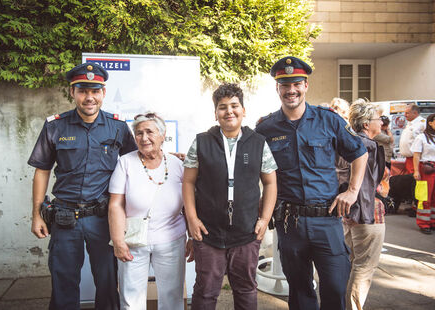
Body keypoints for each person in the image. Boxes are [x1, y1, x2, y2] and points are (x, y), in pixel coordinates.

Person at [255, 56, 368, 310]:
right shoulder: (266, 128)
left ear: (305, 85)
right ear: (277, 89)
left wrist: (352, 191)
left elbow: (360, 153)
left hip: (326, 220)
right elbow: (250, 167)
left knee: (336, 285)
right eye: (285, 85)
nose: (291, 90)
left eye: (296, 83)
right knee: (300, 290)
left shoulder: (329, 120)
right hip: (289, 222)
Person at [28, 62, 137, 310]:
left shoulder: (118, 127)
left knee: (109, 282)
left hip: (103, 217)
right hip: (65, 218)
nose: (89, 97)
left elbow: (135, 164)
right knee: (63, 281)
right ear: (72, 92)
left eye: (95, 91)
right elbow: (42, 171)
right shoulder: (55, 126)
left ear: (103, 93)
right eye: (83, 91)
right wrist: (36, 215)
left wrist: (169, 158)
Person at [182, 83, 278, 310]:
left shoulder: (258, 143)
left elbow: (271, 182)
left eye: (234, 106)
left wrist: (264, 219)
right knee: (205, 290)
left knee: (245, 288)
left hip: (246, 231)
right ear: (215, 113)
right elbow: (188, 181)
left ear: (244, 110)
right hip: (208, 232)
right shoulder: (202, 141)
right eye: (222, 107)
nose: (229, 111)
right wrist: (192, 219)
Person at [108, 112, 190, 309]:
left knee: (172, 296)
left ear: (162, 135)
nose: (144, 138)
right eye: (138, 133)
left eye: (149, 132)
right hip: (134, 240)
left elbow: (189, 203)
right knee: (131, 298)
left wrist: (193, 237)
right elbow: (115, 204)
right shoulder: (125, 162)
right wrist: (118, 241)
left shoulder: (178, 164)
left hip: (171, 239)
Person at [344, 99, 386, 310]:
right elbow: (368, 185)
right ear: (367, 123)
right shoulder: (368, 146)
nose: (382, 123)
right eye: (379, 119)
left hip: (348, 212)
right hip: (367, 213)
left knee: (350, 264)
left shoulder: (348, 142)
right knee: (364, 266)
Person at [411, 113, 435, 235]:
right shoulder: (422, 137)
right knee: (424, 197)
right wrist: (416, 171)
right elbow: (416, 155)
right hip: (426, 170)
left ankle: (433, 221)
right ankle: (424, 223)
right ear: (430, 123)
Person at [399, 104, 426, 173]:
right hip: (408, 159)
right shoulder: (410, 123)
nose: (405, 115)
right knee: (411, 182)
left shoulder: (422, 123)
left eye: (407, 113)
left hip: (417, 160)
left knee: (417, 182)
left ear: (415, 113)